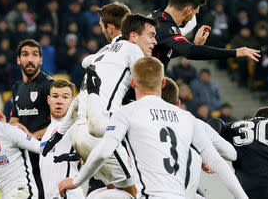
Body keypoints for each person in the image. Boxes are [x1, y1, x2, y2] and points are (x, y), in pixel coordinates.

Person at [56, 57, 248, 199]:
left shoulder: (127, 113)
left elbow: (101, 153)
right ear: (162, 82)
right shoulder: (187, 117)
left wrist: (76, 181)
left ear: (132, 83)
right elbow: (218, 161)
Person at [43, 13, 158, 198]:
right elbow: (147, 83)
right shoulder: (133, 49)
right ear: (134, 36)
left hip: (80, 135)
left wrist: (59, 133)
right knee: (135, 192)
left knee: (114, 189)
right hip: (100, 135)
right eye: (151, 35)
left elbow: (80, 98)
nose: (155, 41)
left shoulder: (101, 55)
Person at [149, 0, 260, 69]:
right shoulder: (166, 27)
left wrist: (194, 44)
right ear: (188, 10)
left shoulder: (157, 15)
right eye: (194, 13)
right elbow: (191, 52)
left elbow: (165, 52)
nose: (193, 17)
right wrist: (236, 52)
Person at [161, 77, 237, 199]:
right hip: (178, 187)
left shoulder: (132, 117)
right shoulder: (191, 121)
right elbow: (231, 154)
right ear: (179, 104)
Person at [10, 39, 54, 199]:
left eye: (34, 55)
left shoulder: (49, 86)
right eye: (25, 54)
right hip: (26, 159)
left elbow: (63, 123)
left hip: (46, 155)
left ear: (40, 60)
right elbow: (14, 121)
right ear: (18, 60)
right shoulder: (17, 87)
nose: (30, 59)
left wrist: (30, 138)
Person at [39, 79, 84, 199]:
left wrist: (80, 158)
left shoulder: (76, 125)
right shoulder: (49, 130)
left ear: (72, 101)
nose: (59, 101)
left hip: (68, 195)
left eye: (65, 97)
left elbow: (96, 152)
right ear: (49, 100)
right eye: (55, 96)